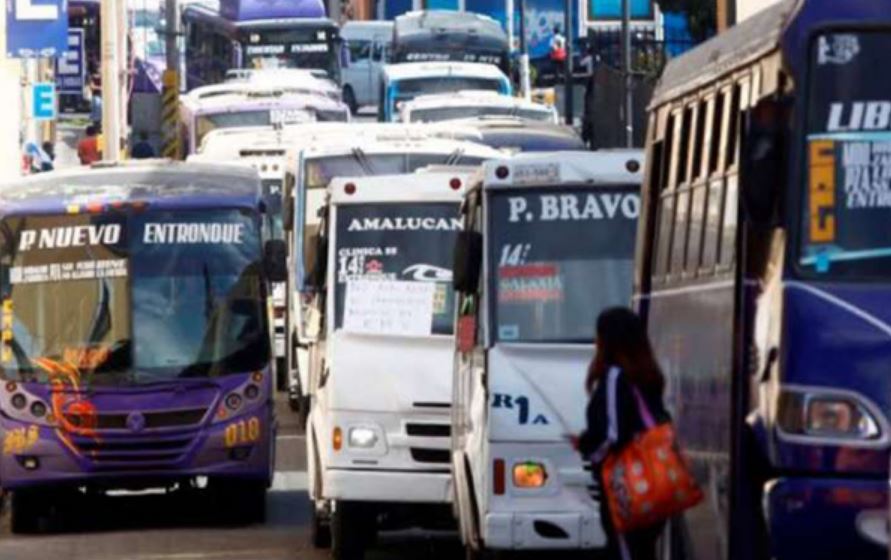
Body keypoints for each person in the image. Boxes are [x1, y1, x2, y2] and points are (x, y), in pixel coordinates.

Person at [574, 307, 669, 560]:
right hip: (654, 484)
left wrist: (590, 451)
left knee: (625, 551)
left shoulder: (616, 376)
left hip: (626, 487)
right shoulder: (646, 375)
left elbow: (613, 435)